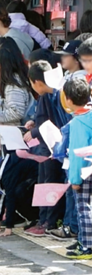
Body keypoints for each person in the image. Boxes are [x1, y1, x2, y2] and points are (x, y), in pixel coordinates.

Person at [23, 61, 71, 237]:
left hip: (53, 147)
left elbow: (57, 123)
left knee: (50, 184)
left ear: (37, 82)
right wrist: (34, 124)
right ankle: (43, 220)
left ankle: (49, 222)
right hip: (47, 146)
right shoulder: (48, 95)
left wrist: (35, 131)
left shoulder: (57, 95)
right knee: (43, 183)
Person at [65, 77, 92, 259]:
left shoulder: (78, 123)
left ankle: (87, 247)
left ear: (68, 100)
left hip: (84, 173)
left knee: (84, 209)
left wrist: (74, 180)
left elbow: (77, 154)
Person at [0, 38, 34, 126]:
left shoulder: (13, 85)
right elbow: (8, 105)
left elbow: (16, 112)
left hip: (14, 132)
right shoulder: (11, 80)